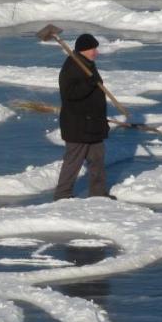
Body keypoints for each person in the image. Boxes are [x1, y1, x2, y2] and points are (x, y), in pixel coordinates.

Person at [53, 33, 113, 200]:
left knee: (97, 161)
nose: (96, 52)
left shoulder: (88, 64)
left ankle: (98, 194)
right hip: (78, 124)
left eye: (96, 48)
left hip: (94, 123)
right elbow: (70, 93)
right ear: (83, 50)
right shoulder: (72, 66)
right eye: (92, 49)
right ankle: (62, 196)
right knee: (73, 162)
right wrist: (89, 83)